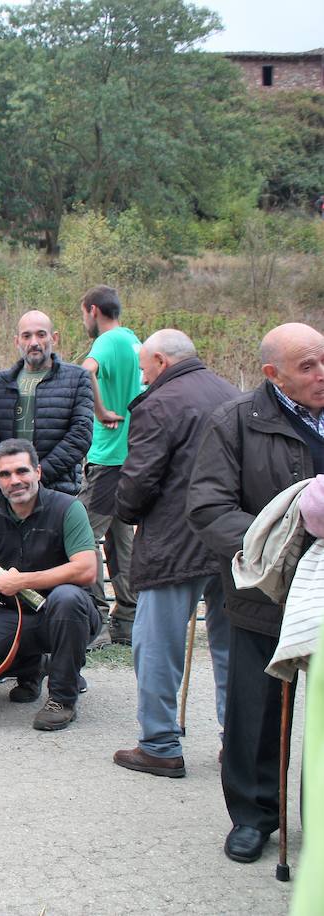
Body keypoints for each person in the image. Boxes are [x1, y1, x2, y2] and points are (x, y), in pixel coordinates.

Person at [187, 322, 323, 865]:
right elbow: (208, 510)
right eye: (307, 366)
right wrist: (288, 536)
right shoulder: (235, 422)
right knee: (257, 710)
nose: (321, 374)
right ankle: (254, 815)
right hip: (264, 589)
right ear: (273, 375)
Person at [112, 329, 236, 778]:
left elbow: (139, 478)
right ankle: (236, 741)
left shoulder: (160, 402)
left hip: (173, 542)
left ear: (161, 361)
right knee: (229, 646)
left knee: (156, 646)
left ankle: (160, 744)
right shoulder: (232, 393)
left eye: (144, 369)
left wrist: (126, 512)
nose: (143, 378)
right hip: (230, 542)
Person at [0, 439, 101, 731]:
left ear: (38, 472)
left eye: (22, 471)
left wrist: (22, 581)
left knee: (66, 598)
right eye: (5, 474)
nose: (15, 480)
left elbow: (87, 569)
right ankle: (33, 669)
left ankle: (62, 698)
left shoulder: (68, 508)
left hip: (69, 613)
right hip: (17, 613)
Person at [77, 285, 142, 644]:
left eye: (84, 314)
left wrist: (100, 411)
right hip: (132, 457)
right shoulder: (136, 342)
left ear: (93, 310)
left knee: (81, 535)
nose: (85, 320)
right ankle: (128, 619)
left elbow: (85, 371)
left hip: (109, 459)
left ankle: (96, 617)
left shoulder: (107, 341)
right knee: (120, 539)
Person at [0, 310, 93, 499]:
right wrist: (10, 476)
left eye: (41, 334)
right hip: (9, 493)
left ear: (54, 338)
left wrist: (37, 477)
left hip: (58, 492)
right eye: (26, 336)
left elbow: (80, 436)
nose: (34, 342)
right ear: (17, 341)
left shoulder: (77, 378)